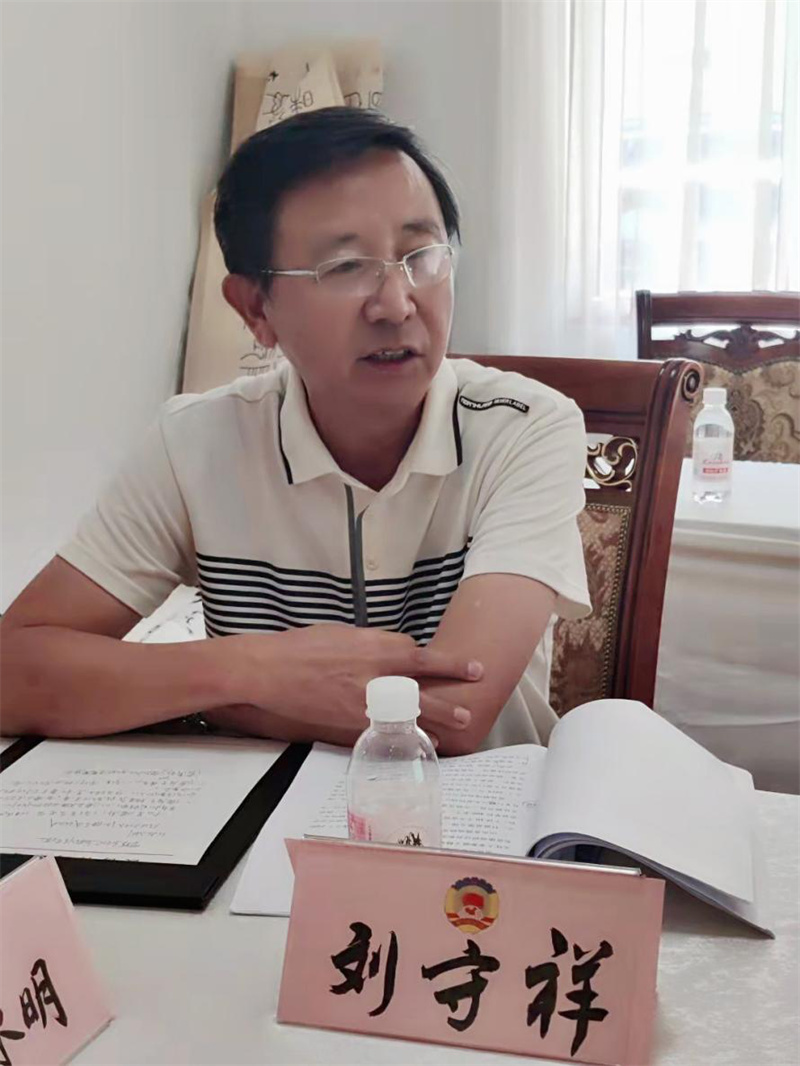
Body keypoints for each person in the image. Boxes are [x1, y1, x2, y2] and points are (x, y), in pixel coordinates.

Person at [0, 107, 590, 755]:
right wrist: (253, 669)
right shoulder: (195, 443)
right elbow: (12, 672)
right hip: (254, 806)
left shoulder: (524, 428)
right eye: (346, 267)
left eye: (420, 256)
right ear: (256, 309)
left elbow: (450, 716)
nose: (397, 304)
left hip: (474, 806)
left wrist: (203, 699)